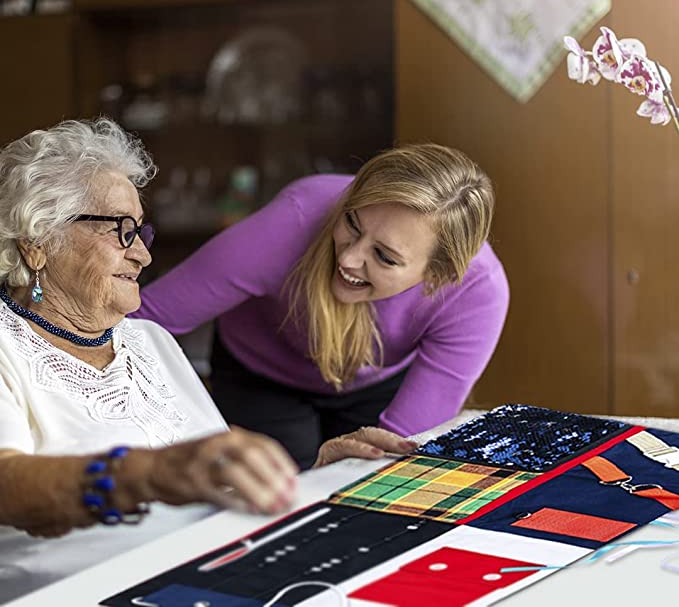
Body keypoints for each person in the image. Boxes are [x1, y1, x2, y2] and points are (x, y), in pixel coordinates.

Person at [0, 119, 413, 603]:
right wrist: (150, 473)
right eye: (121, 231)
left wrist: (312, 478)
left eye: (141, 232)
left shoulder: (150, 341)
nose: (143, 257)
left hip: (220, 577)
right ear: (38, 240)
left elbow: (213, 488)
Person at [135, 144, 510, 469]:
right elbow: (141, 319)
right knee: (270, 502)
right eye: (352, 223)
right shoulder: (295, 219)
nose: (349, 258)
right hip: (261, 374)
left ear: (438, 276)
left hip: (376, 383)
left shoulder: (478, 293)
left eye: (383, 256)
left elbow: (400, 455)